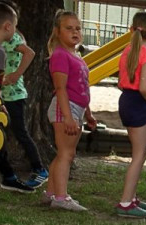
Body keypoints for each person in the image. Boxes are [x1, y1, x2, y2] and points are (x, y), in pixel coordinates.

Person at [44, 9, 95, 211]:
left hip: (76, 109)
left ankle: (50, 192)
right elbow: (61, 88)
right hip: (64, 109)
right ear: (58, 31)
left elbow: (82, 86)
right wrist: (67, 117)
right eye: (69, 28)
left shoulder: (76, 55)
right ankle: (61, 197)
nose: (75, 32)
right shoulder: (59, 55)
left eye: (78, 28)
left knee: (64, 153)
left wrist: (88, 114)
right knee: (66, 154)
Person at [115, 11, 146, 218]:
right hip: (138, 102)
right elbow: (145, 88)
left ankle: (131, 198)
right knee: (139, 155)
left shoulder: (127, 52)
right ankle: (126, 202)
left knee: (139, 153)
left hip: (126, 100)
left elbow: (121, 82)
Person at [0, 2, 39, 194]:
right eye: (15, 26)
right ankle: (9, 178)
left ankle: (9, 177)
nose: (15, 31)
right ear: (8, 26)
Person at [1, 20, 47, 185]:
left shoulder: (12, 38)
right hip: (1, 95)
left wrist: (16, 74)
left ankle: (40, 169)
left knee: (20, 133)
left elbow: (30, 53)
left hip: (14, 96)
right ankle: (7, 175)